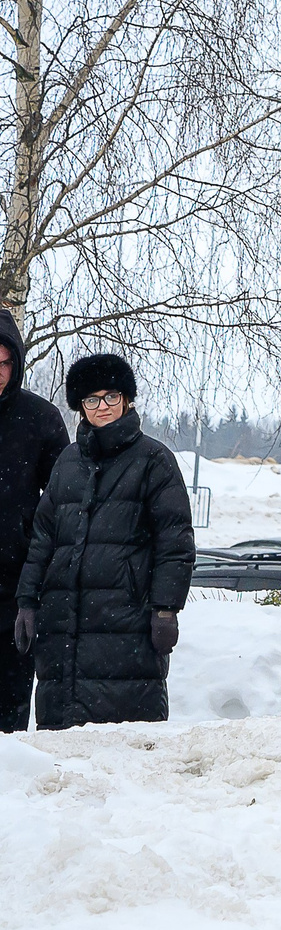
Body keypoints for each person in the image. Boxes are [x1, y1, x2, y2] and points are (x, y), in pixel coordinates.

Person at [13, 353, 193, 729]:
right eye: (91, 399)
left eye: (111, 396)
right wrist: (28, 602)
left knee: (124, 749)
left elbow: (174, 542)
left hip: (125, 622)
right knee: (63, 755)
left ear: (126, 399)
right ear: (81, 407)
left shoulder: (153, 460)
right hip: (63, 625)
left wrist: (165, 609)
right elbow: (43, 538)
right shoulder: (67, 462)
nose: (103, 407)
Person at [0, 309, 70, 731]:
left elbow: (63, 502)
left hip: (15, 587)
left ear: (15, 363)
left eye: (2, 362)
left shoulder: (40, 419)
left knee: (8, 704)